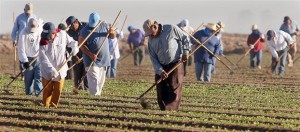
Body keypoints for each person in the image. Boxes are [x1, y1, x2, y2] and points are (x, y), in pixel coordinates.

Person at [143, 19, 190, 110]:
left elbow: (185, 38)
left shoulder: (171, 29)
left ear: (155, 26)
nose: (150, 35)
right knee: (160, 86)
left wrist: (185, 52)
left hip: (175, 62)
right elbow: (153, 58)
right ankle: (163, 108)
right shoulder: (151, 41)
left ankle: (171, 110)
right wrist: (160, 71)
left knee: (174, 85)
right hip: (161, 65)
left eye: (151, 32)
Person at [39, 22, 79, 107]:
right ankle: (45, 106)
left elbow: (72, 42)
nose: (48, 38)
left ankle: (53, 106)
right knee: (47, 90)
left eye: (49, 36)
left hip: (61, 69)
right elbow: (43, 58)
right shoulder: (43, 41)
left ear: (54, 33)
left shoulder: (63, 34)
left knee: (58, 90)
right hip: (47, 71)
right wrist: (51, 69)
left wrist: (75, 48)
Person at [79, 12, 115, 95]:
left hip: (104, 60)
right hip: (91, 61)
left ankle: (97, 96)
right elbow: (81, 45)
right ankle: (94, 96)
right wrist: (91, 54)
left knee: (101, 81)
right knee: (94, 80)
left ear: (99, 21)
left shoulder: (105, 26)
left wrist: (112, 32)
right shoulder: (84, 31)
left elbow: (113, 36)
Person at [11, 3, 37, 80]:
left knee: (31, 56)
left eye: (29, 12)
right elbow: (14, 31)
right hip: (21, 40)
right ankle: (23, 74)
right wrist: (14, 39)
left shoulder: (34, 17)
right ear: (24, 9)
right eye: (26, 11)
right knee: (22, 56)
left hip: (31, 40)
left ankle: (30, 74)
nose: (28, 13)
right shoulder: (19, 18)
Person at [17, 18, 42, 96]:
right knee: (28, 80)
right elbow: (21, 48)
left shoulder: (40, 31)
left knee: (38, 78)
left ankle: (38, 95)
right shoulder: (23, 33)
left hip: (38, 58)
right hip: (28, 59)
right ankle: (29, 96)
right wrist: (25, 61)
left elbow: (43, 44)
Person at [66, 16, 88, 90]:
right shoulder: (68, 32)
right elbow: (68, 47)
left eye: (71, 26)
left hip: (86, 54)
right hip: (76, 55)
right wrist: (75, 57)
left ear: (76, 22)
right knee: (77, 73)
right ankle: (77, 88)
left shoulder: (85, 26)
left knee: (86, 73)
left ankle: (86, 88)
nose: (71, 28)